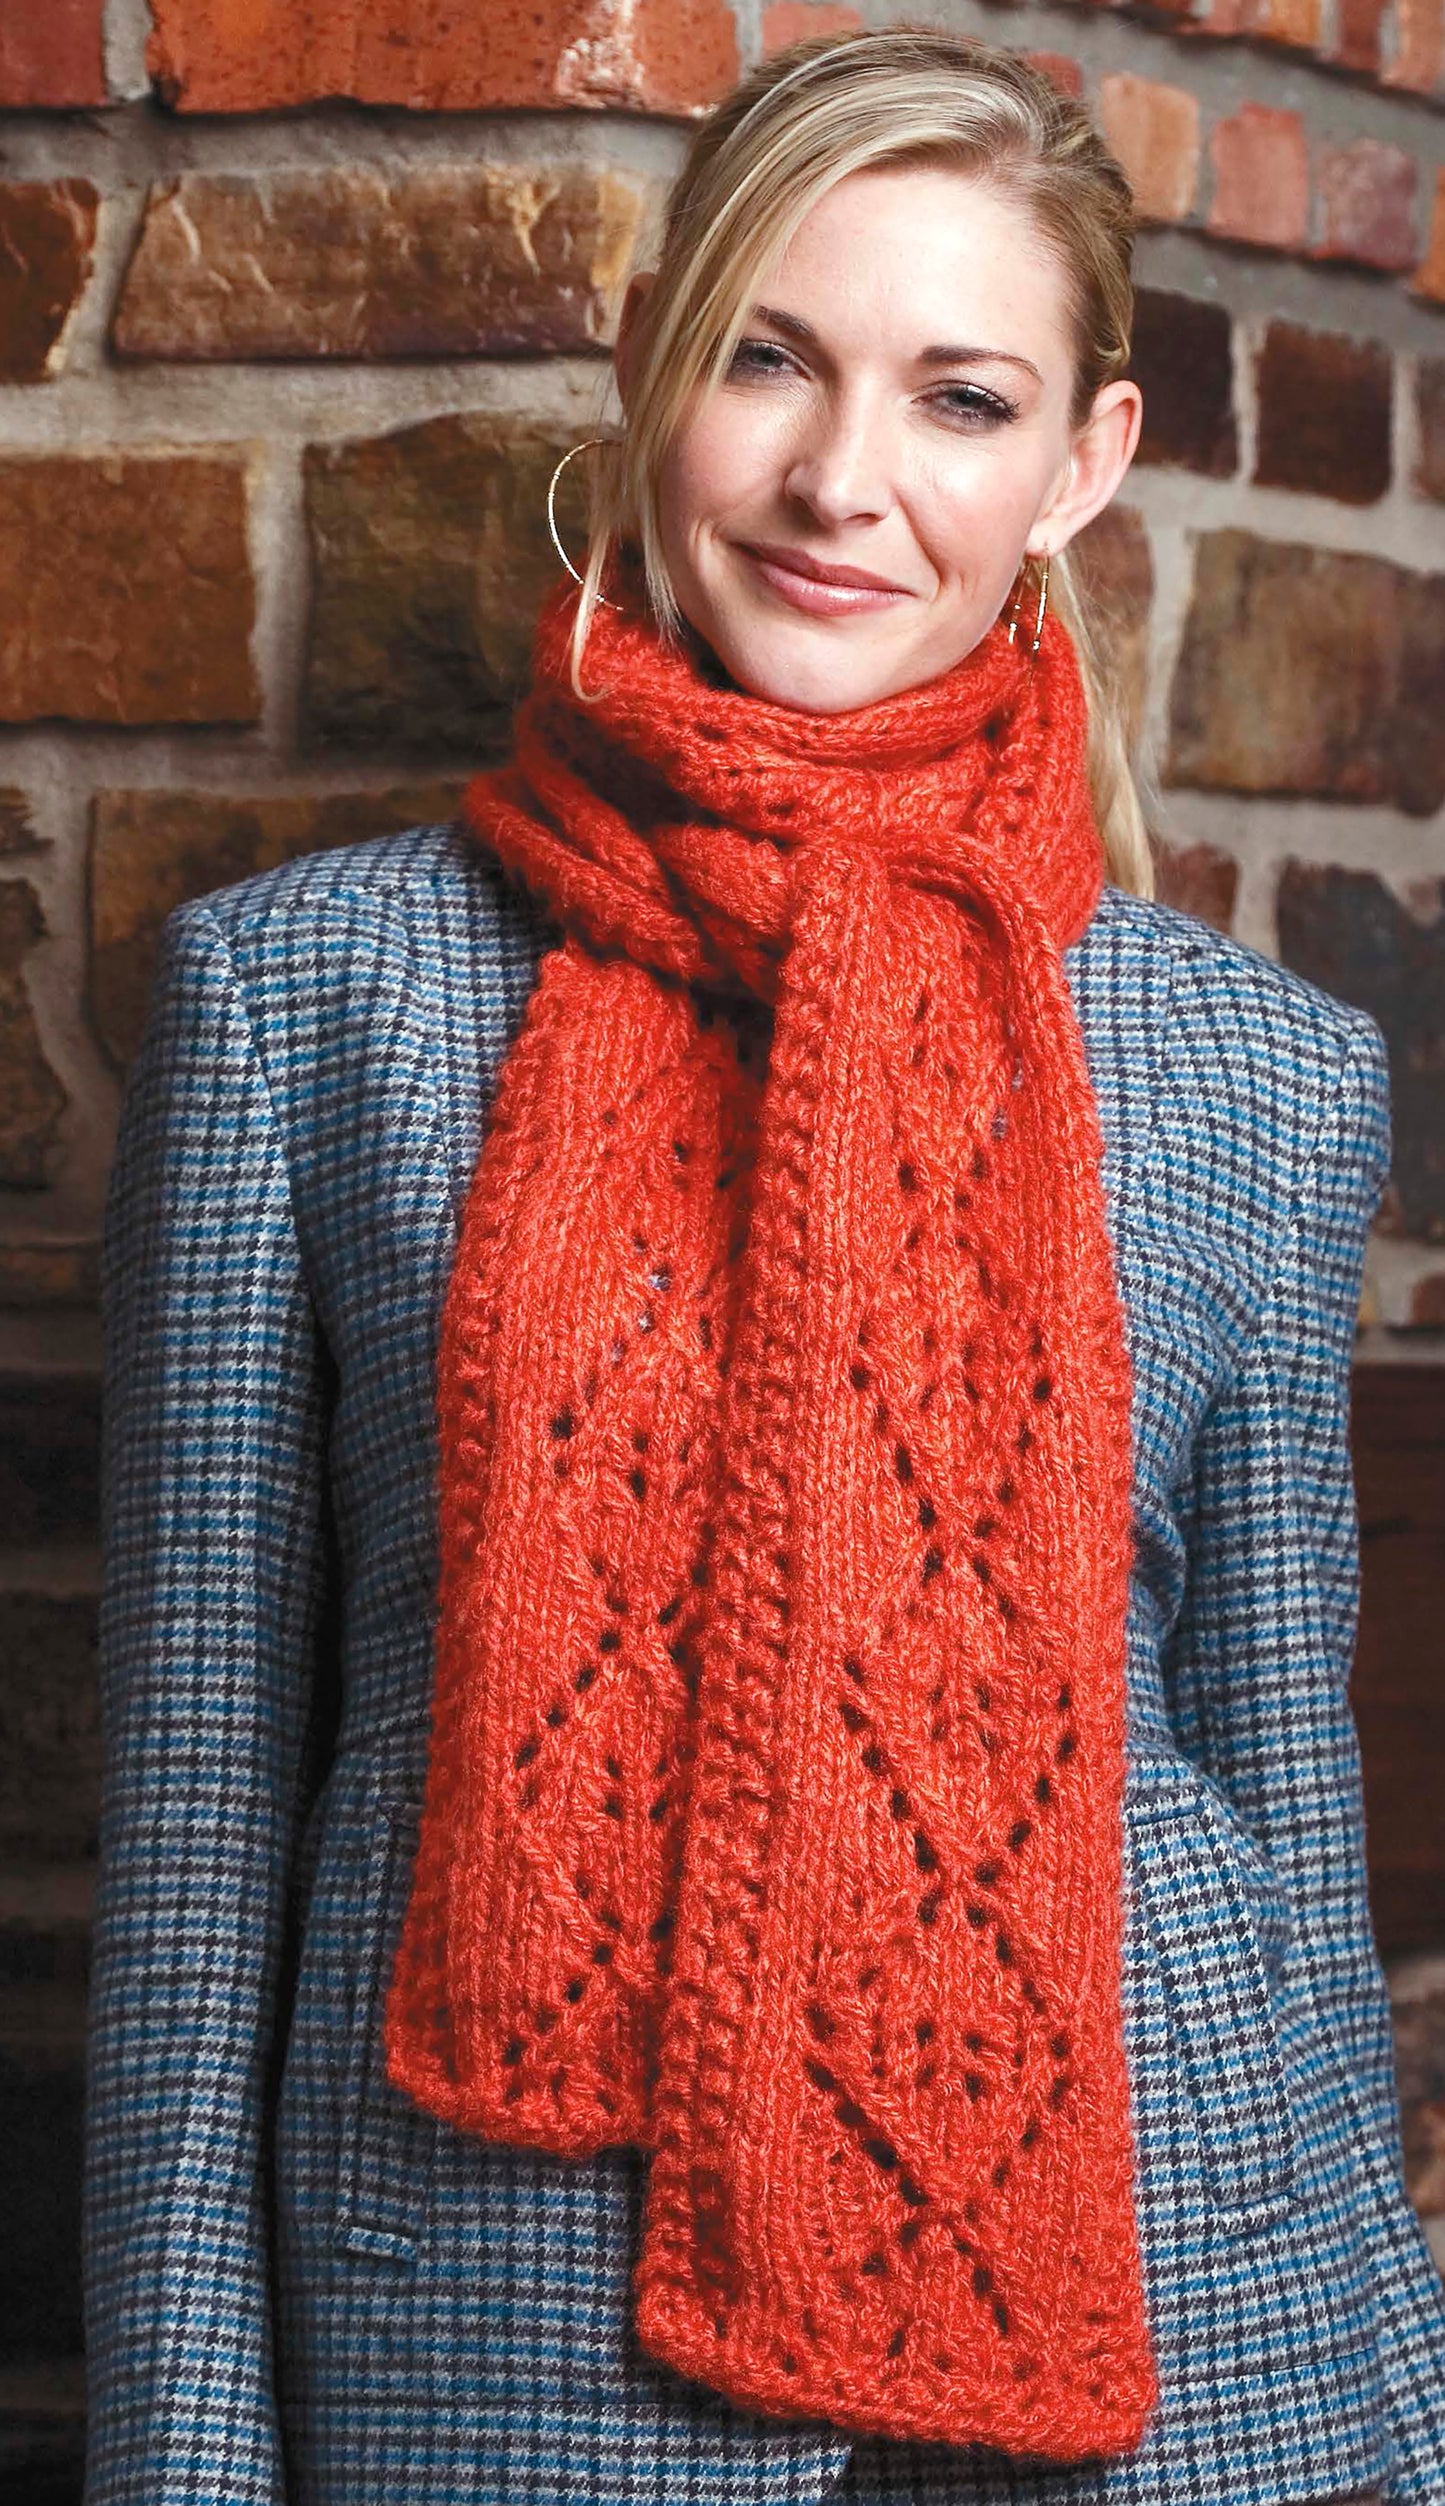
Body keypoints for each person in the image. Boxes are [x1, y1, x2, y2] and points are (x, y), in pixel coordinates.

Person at [81, 23, 1444, 2506]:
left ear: (1079, 469)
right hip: (515, 2344)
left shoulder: (1256, 1070)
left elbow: (1283, 1788)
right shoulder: (309, 999)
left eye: (961, 397)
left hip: (1170, 2320)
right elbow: (199, 1830)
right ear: (646, 368)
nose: (844, 480)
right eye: (769, 360)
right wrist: (185, 2453)